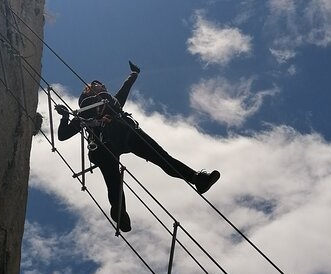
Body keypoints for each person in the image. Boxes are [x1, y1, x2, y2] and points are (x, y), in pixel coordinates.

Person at [54, 61, 220, 232]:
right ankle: (120, 213)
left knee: (159, 158)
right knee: (118, 179)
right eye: (97, 84)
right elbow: (63, 135)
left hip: (121, 135)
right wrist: (65, 116)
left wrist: (134, 74)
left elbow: (125, 88)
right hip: (109, 139)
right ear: (89, 89)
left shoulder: (109, 103)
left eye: (101, 84)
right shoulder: (88, 108)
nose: (102, 85)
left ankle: (197, 179)